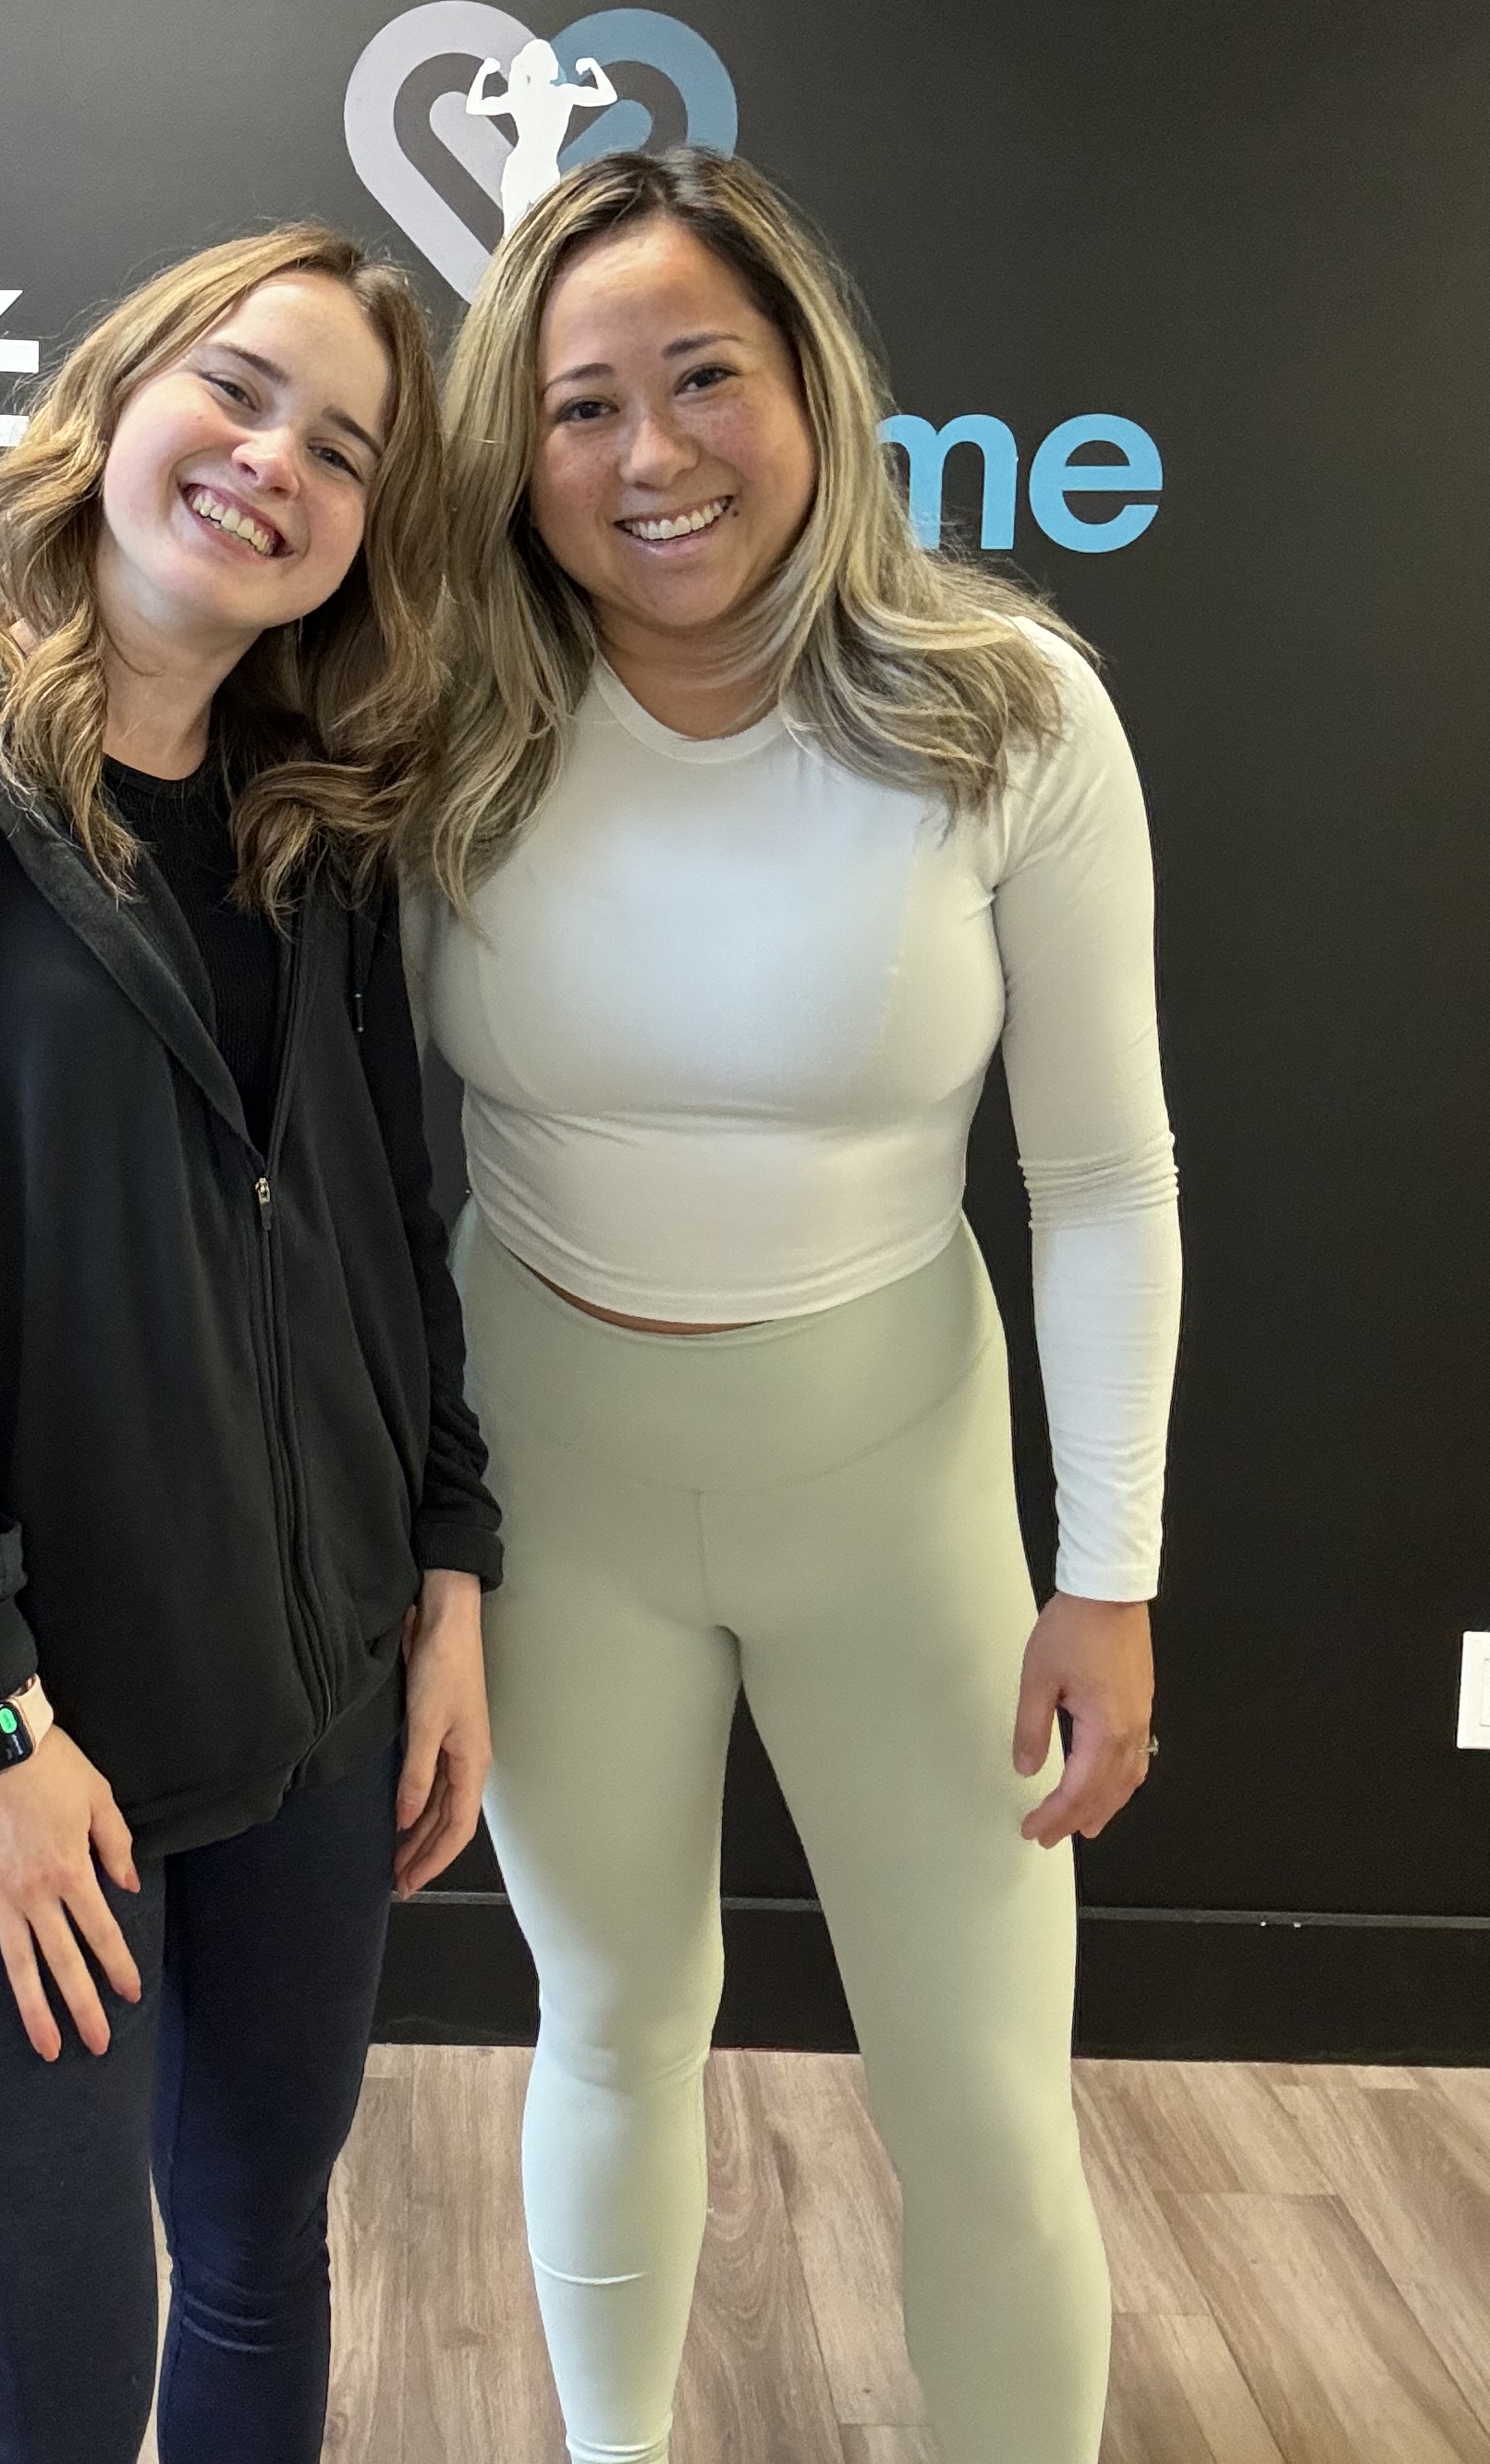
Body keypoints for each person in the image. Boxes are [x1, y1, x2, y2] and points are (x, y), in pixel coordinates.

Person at [407, 147, 1179, 2464]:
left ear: (813, 386)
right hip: (556, 1488)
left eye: (702, 376)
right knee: (612, 2026)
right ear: (515, 451)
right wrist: (422, 1549)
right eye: (580, 406)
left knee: (981, 2094)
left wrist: (1110, 1566)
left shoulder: (1008, 709)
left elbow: (1102, 1175)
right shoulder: (445, 720)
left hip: (896, 1490)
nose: (650, 454)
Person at [0, 226, 499, 2464]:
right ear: (114, 397)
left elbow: (394, 1234)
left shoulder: (317, 831)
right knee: (52, 2376)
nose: (275, 463)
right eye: (237, 390)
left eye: (341, 449)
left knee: (259, 2254)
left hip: (325, 1703)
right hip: (36, 1740)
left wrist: (447, 1571)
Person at [467, 38, 620, 233]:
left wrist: (484, 72)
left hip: (535, 169)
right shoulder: (559, 94)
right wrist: (592, 66)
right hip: (529, 169)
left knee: (532, 231)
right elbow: (607, 96)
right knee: (530, 232)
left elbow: (474, 106)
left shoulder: (529, 95)